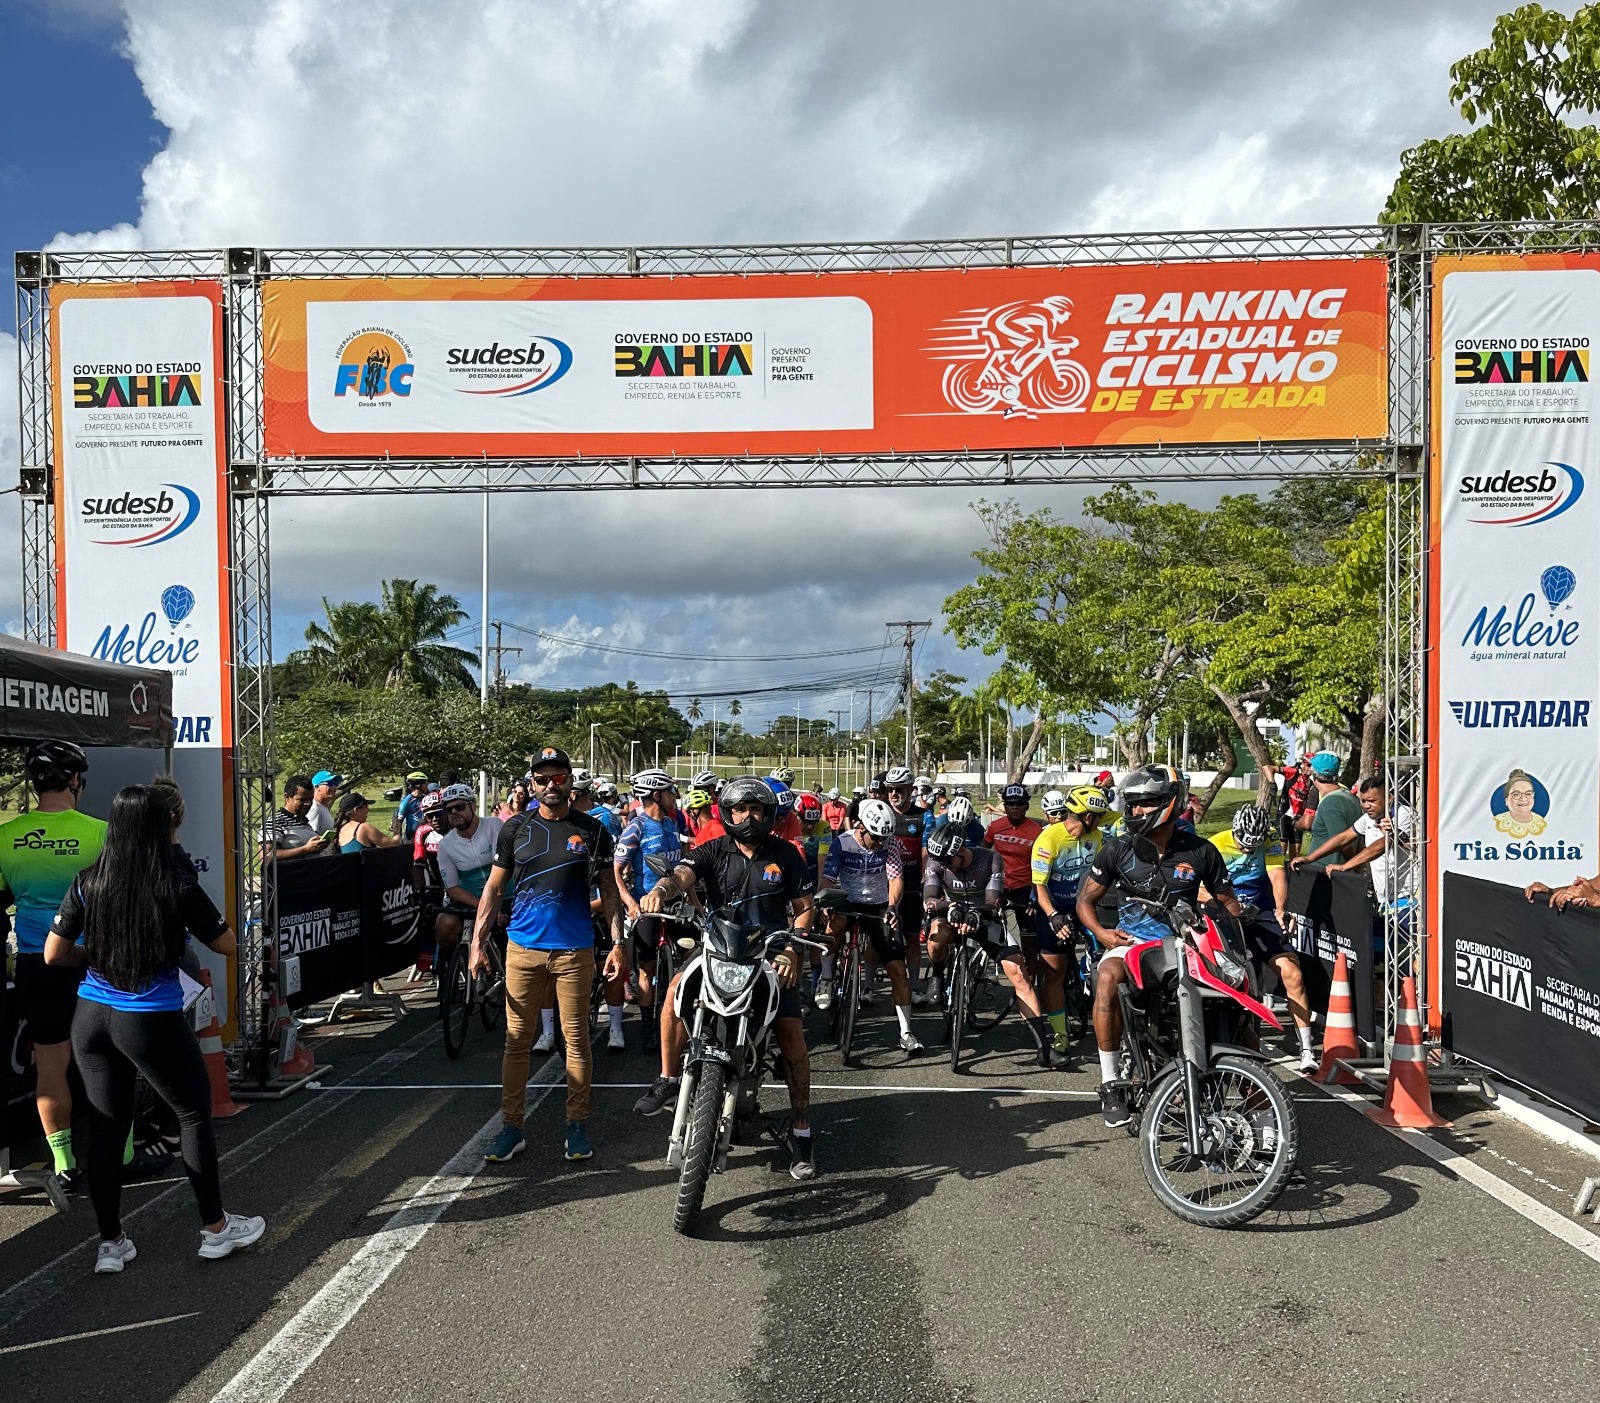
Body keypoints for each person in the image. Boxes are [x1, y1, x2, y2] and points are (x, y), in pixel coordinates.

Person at [44, 783, 263, 1273]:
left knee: (106, 1125)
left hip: (90, 1015)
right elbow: (227, 944)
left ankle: (111, 1243)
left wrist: (96, 957)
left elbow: (53, 954)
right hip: (147, 1015)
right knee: (191, 1114)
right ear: (162, 828)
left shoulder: (88, 879)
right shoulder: (175, 881)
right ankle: (215, 1229)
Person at [631, 776, 819, 1179]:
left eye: (755, 809)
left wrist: (792, 947)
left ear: (768, 814)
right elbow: (681, 874)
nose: (747, 816)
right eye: (739, 809)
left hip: (769, 953)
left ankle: (802, 1130)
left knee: (792, 1037)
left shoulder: (787, 855)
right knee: (675, 993)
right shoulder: (713, 849)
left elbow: (805, 908)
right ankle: (667, 1077)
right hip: (716, 946)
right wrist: (660, 892)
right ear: (727, 813)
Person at [473, 747, 626, 1165]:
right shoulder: (515, 829)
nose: (550, 786)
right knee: (516, 1040)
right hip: (522, 950)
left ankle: (576, 1126)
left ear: (570, 781)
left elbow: (609, 893)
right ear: (532, 784)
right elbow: (493, 889)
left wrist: (618, 944)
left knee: (576, 1040)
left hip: (575, 952)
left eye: (559, 778)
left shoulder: (594, 830)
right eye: (542, 780)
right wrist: (476, 942)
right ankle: (512, 1128)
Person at [1074, 764, 1244, 1128]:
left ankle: (1261, 1115)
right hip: (1134, 944)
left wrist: (1232, 927)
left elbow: (1229, 904)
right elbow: (1084, 902)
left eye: (1146, 803)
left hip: (1187, 946)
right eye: (1132, 805)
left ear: (1169, 802)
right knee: (1106, 975)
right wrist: (1102, 935)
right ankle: (1110, 1084)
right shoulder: (1116, 849)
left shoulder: (1201, 851)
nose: (1136, 811)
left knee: (1240, 1006)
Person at [0, 741, 108, 1192]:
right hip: (92, 961)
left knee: (50, 1062)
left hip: (34, 962)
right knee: (106, 1059)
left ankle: (63, 1163)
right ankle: (115, 1153)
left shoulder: (6, 835)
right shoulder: (101, 831)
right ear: (75, 780)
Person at [926, 825, 1070, 1068]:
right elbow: (929, 900)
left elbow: (993, 903)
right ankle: (938, 976)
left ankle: (1043, 1050)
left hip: (985, 918)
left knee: (1019, 974)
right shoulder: (937, 862)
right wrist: (948, 906)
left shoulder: (990, 858)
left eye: (949, 861)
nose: (945, 866)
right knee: (936, 938)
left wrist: (976, 913)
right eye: (941, 862)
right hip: (950, 914)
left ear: (961, 849)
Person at [1208, 803, 1318, 1072]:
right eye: (1243, 845)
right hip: (1224, 917)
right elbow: (1199, 889)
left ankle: (1307, 1049)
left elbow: (1278, 876)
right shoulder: (1214, 845)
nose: (1247, 851)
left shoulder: (1268, 841)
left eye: (1252, 847)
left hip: (1259, 914)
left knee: (1293, 973)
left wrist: (1281, 910)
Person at [818, 798, 917, 1051]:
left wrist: (893, 907)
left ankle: (906, 1032)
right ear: (861, 827)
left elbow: (895, 880)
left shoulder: (890, 843)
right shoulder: (842, 842)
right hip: (846, 900)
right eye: (876, 837)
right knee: (834, 923)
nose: (880, 843)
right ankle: (827, 977)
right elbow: (827, 878)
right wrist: (826, 903)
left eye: (885, 838)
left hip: (878, 904)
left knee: (897, 970)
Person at [1029, 785, 1110, 1057]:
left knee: (1108, 955)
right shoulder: (1048, 839)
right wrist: (1053, 916)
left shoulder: (1097, 836)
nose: (1101, 820)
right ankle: (1060, 1035)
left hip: (1083, 903)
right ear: (1087, 816)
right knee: (1054, 972)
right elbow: (1039, 887)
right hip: (1052, 905)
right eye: (1099, 815)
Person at [614, 768, 685, 1055]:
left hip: (676, 903)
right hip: (645, 904)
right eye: (670, 791)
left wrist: (695, 902)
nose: (674, 797)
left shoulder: (671, 823)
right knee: (646, 969)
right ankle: (647, 1027)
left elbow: (682, 870)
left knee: (692, 958)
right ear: (657, 795)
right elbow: (615, 872)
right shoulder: (637, 827)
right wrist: (631, 903)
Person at [434, 782, 506, 1026]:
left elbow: (502, 869)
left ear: (473, 806)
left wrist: (494, 906)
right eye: (449, 809)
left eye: (460, 807)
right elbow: (453, 888)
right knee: (443, 926)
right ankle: (453, 969)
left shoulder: (494, 826)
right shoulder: (446, 845)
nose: (454, 813)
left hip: (505, 895)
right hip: (470, 900)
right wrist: (483, 907)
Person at [1321, 777, 1417, 908]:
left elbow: (1382, 845)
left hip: (1406, 895)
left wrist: (1345, 867)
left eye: (1371, 801)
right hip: (1384, 898)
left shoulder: (1404, 814)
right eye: (1363, 801)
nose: (1366, 806)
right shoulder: (1368, 818)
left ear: (1389, 798)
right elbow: (1343, 838)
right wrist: (1308, 858)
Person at [880, 766, 931, 1004]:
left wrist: (924, 881)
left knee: (911, 938)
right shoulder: (880, 813)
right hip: (883, 884)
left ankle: (915, 987)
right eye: (890, 789)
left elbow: (926, 853)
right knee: (879, 937)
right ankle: (868, 987)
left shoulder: (924, 816)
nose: (893, 794)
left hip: (911, 884)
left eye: (899, 790)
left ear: (911, 790)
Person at [983, 784, 1043, 943]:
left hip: (1024, 890)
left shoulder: (1037, 831)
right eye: (1010, 804)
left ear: (1027, 806)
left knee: (1029, 941)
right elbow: (982, 854)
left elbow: (1042, 866)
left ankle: (1030, 967)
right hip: (998, 886)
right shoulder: (994, 827)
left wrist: (1035, 895)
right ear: (1004, 805)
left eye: (1019, 804)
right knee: (992, 935)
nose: (1015, 808)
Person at [1291, 752, 1363, 871]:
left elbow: (1342, 842)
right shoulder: (1351, 798)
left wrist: (1352, 865)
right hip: (1341, 872)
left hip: (1327, 871)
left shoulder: (1329, 803)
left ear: (1314, 775)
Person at [260, 775, 334, 864]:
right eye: (302, 800)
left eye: (310, 799)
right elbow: (266, 856)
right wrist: (305, 849)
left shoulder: (304, 821)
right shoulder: (276, 822)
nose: (308, 803)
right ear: (287, 798)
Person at [336, 792, 401, 853]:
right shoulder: (363, 828)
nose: (368, 810)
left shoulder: (341, 829)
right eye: (366, 807)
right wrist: (396, 831)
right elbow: (393, 845)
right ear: (356, 810)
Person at [392, 771, 430, 839]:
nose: (427, 784)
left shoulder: (426, 798)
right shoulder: (407, 801)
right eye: (425, 782)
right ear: (418, 785)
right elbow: (398, 822)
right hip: (412, 836)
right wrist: (398, 839)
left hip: (426, 833)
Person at [308, 770, 343, 834]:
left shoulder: (322, 807)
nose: (334, 787)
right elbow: (310, 837)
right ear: (317, 787)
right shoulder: (315, 809)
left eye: (336, 783)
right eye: (330, 783)